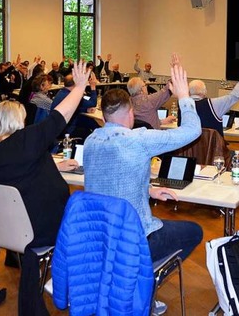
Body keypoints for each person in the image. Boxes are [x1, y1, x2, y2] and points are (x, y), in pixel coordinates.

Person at [83, 53, 203, 315]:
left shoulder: (91, 142)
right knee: (194, 231)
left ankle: (125, 280)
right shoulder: (138, 140)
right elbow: (193, 131)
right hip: (134, 238)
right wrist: (183, 96)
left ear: (103, 115)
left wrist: (148, 189)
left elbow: (113, 181)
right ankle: (142, 283)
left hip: (99, 235)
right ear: (131, 112)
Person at [0, 62, 89, 315]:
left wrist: (57, 163)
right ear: (17, 121)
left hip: (8, 228)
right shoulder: (25, 140)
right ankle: (70, 283)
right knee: (86, 212)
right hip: (40, 230)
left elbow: (25, 171)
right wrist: (79, 87)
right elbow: (61, 115)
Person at [183, 58, 239, 135]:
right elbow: (234, 95)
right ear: (205, 93)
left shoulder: (183, 106)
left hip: (189, 146)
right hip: (212, 146)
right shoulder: (213, 104)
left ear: (189, 92)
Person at [50, 72, 98, 139]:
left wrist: (85, 109)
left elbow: (69, 108)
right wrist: (93, 86)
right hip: (67, 129)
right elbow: (93, 103)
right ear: (76, 83)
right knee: (92, 128)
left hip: (58, 128)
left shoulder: (61, 92)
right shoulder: (72, 96)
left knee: (91, 122)